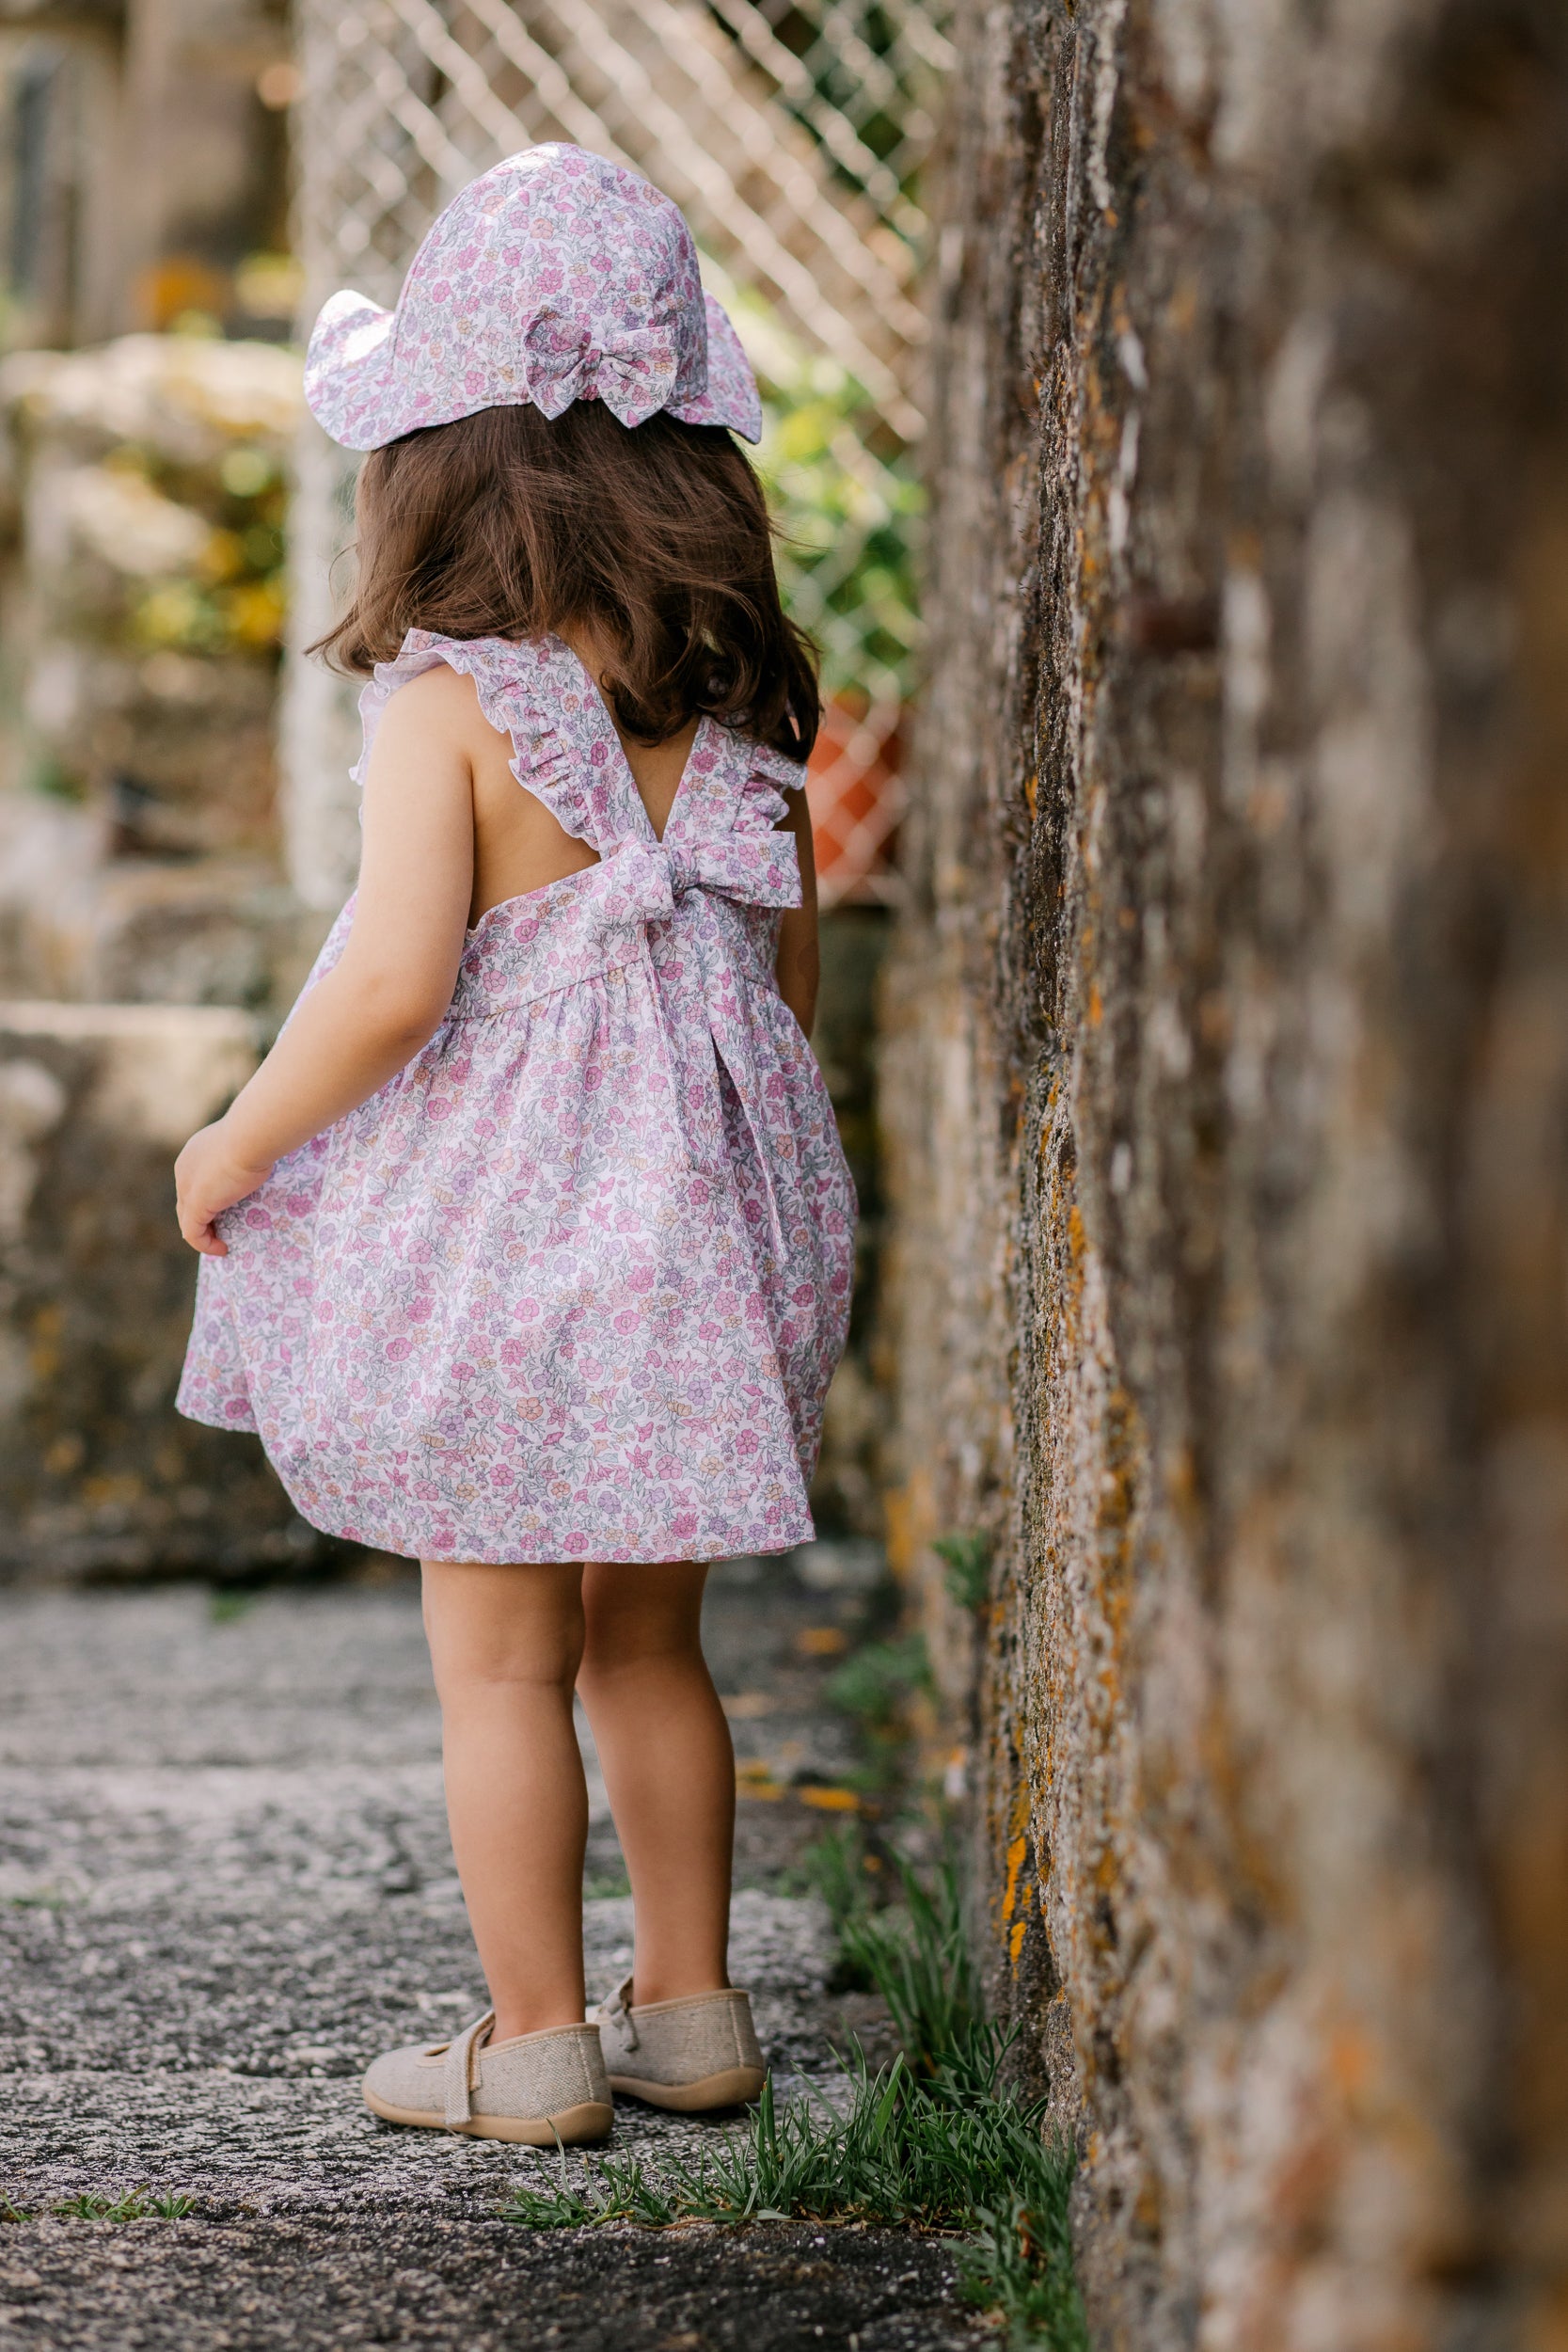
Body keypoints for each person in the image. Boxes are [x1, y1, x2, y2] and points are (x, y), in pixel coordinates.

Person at [172, 144, 855, 2147]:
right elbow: (782, 995)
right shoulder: (745, 706)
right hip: (703, 1239)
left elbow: (390, 986)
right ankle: (698, 2011)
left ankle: (538, 2040)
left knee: (495, 1663)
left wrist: (235, 1133)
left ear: (442, 460)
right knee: (653, 1641)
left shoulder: (454, 703)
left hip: (506, 1250)